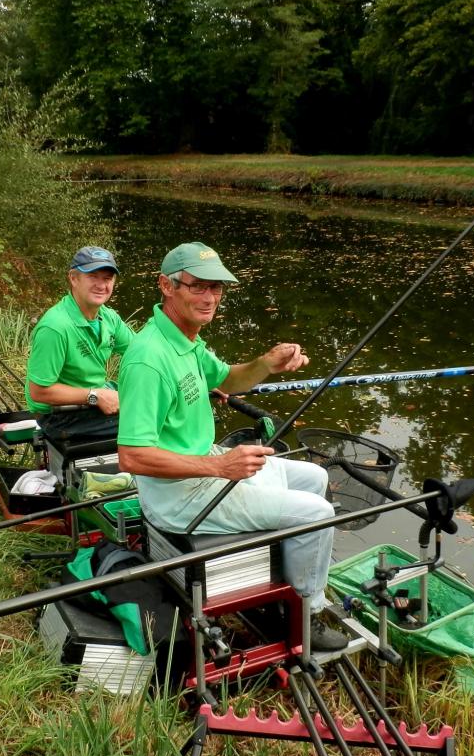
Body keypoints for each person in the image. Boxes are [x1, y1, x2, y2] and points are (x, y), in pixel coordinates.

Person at [116, 242, 350, 651]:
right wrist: (221, 466)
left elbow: (226, 379)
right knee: (318, 512)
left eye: (217, 288)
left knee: (314, 476)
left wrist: (266, 364)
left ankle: (278, 588)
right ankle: (305, 614)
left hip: (203, 467)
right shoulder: (148, 359)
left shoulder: (185, 339)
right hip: (177, 498)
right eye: (198, 287)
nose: (210, 298)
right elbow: (132, 456)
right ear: (165, 286)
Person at [25, 246, 135, 441]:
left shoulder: (109, 317)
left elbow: (142, 352)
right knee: (148, 420)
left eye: (107, 278)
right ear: (73, 278)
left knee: (158, 401)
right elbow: (39, 392)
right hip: (59, 416)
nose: (101, 285)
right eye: (93, 276)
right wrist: (96, 396)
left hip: (89, 403)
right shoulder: (55, 327)